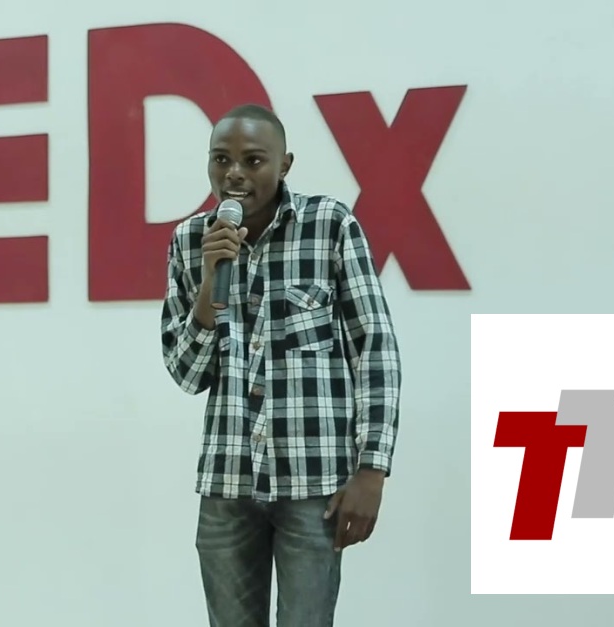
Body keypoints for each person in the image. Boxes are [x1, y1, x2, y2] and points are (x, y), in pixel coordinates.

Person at [159, 103, 402, 627]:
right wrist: (210, 284)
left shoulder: (329, 225)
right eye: (221, 159)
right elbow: (187, 373)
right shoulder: (190, 241)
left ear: (284, 164)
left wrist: (372, 469)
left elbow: (374, 348)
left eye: (253, 160)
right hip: (228, 484)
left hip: (313, 484)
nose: (234, 174)